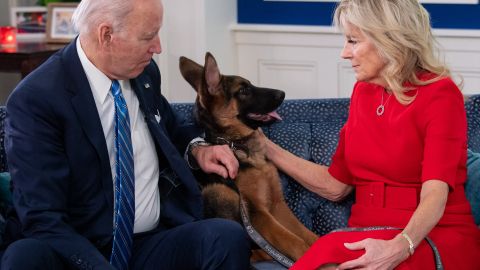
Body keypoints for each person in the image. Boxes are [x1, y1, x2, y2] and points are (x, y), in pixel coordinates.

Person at [0, 0, 251, 269]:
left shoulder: (144, 73)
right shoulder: (37, 99)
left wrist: (199, 149)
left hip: (149, 242)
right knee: (25, 258)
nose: (158, 47)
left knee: (224, 237)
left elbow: (170, 124)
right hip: (77, 250)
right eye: (148, 36)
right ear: (106, 35)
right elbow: (42, 217)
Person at [261, 0, 480, 269]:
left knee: (331, 253)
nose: (344, 53)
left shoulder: (441, 95)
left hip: (429, 238)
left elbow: (435, 194)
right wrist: (264, 146)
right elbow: (336, 185)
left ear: (389, 40)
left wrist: (400, 247)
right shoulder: (363, 92)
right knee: (330, 252)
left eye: (353, 41)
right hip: (364, 235)